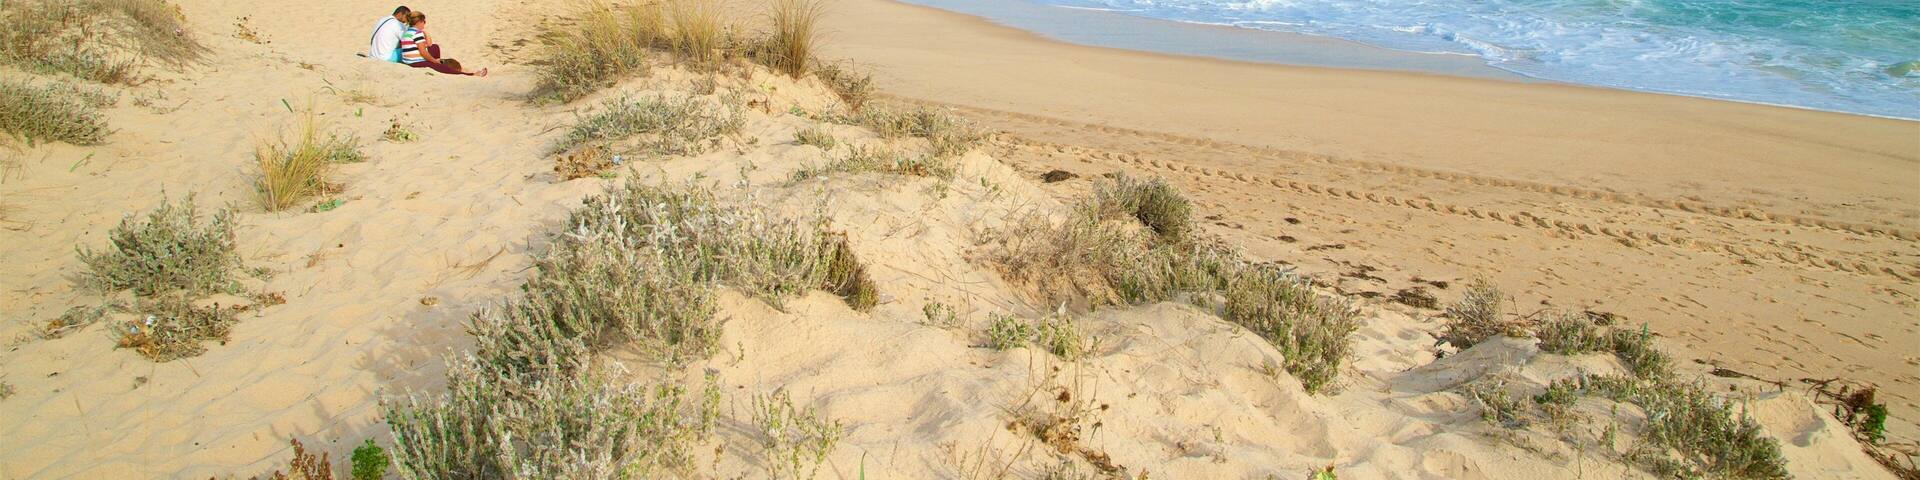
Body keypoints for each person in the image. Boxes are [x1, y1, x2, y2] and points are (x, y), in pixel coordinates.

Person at [400, 12, 488, 77]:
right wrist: (434, 61)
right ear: (419, 22)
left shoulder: (407, 32)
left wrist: (425, 32)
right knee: (440, 67)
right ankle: (471, 74)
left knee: (434, 47)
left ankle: (441, 63)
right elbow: (423, 52)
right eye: (424, 21)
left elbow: (429, 45)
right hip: (415, 62)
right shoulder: (417, 33)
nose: (424, 23)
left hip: (408, 60)